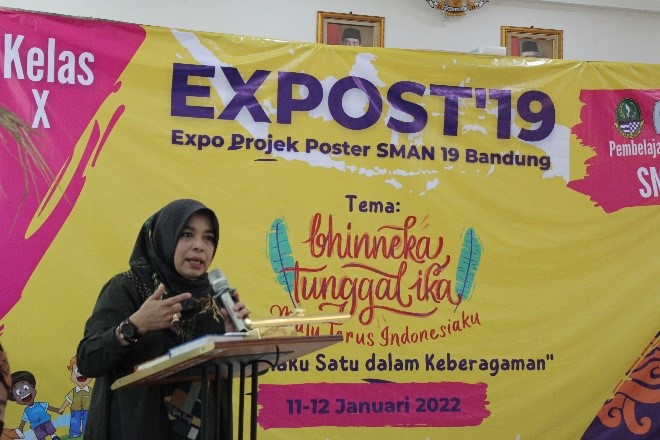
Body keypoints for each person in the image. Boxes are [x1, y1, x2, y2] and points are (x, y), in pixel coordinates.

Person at [76, 199, 250, 440]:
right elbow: (88, 360)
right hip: (136, 429)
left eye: (208, 238)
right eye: (187, 235)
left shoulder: (215, 299)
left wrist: (232, 339)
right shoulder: (128, 288)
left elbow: (229, 372)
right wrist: (134, 326)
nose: (199, 246)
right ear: (166, 237)